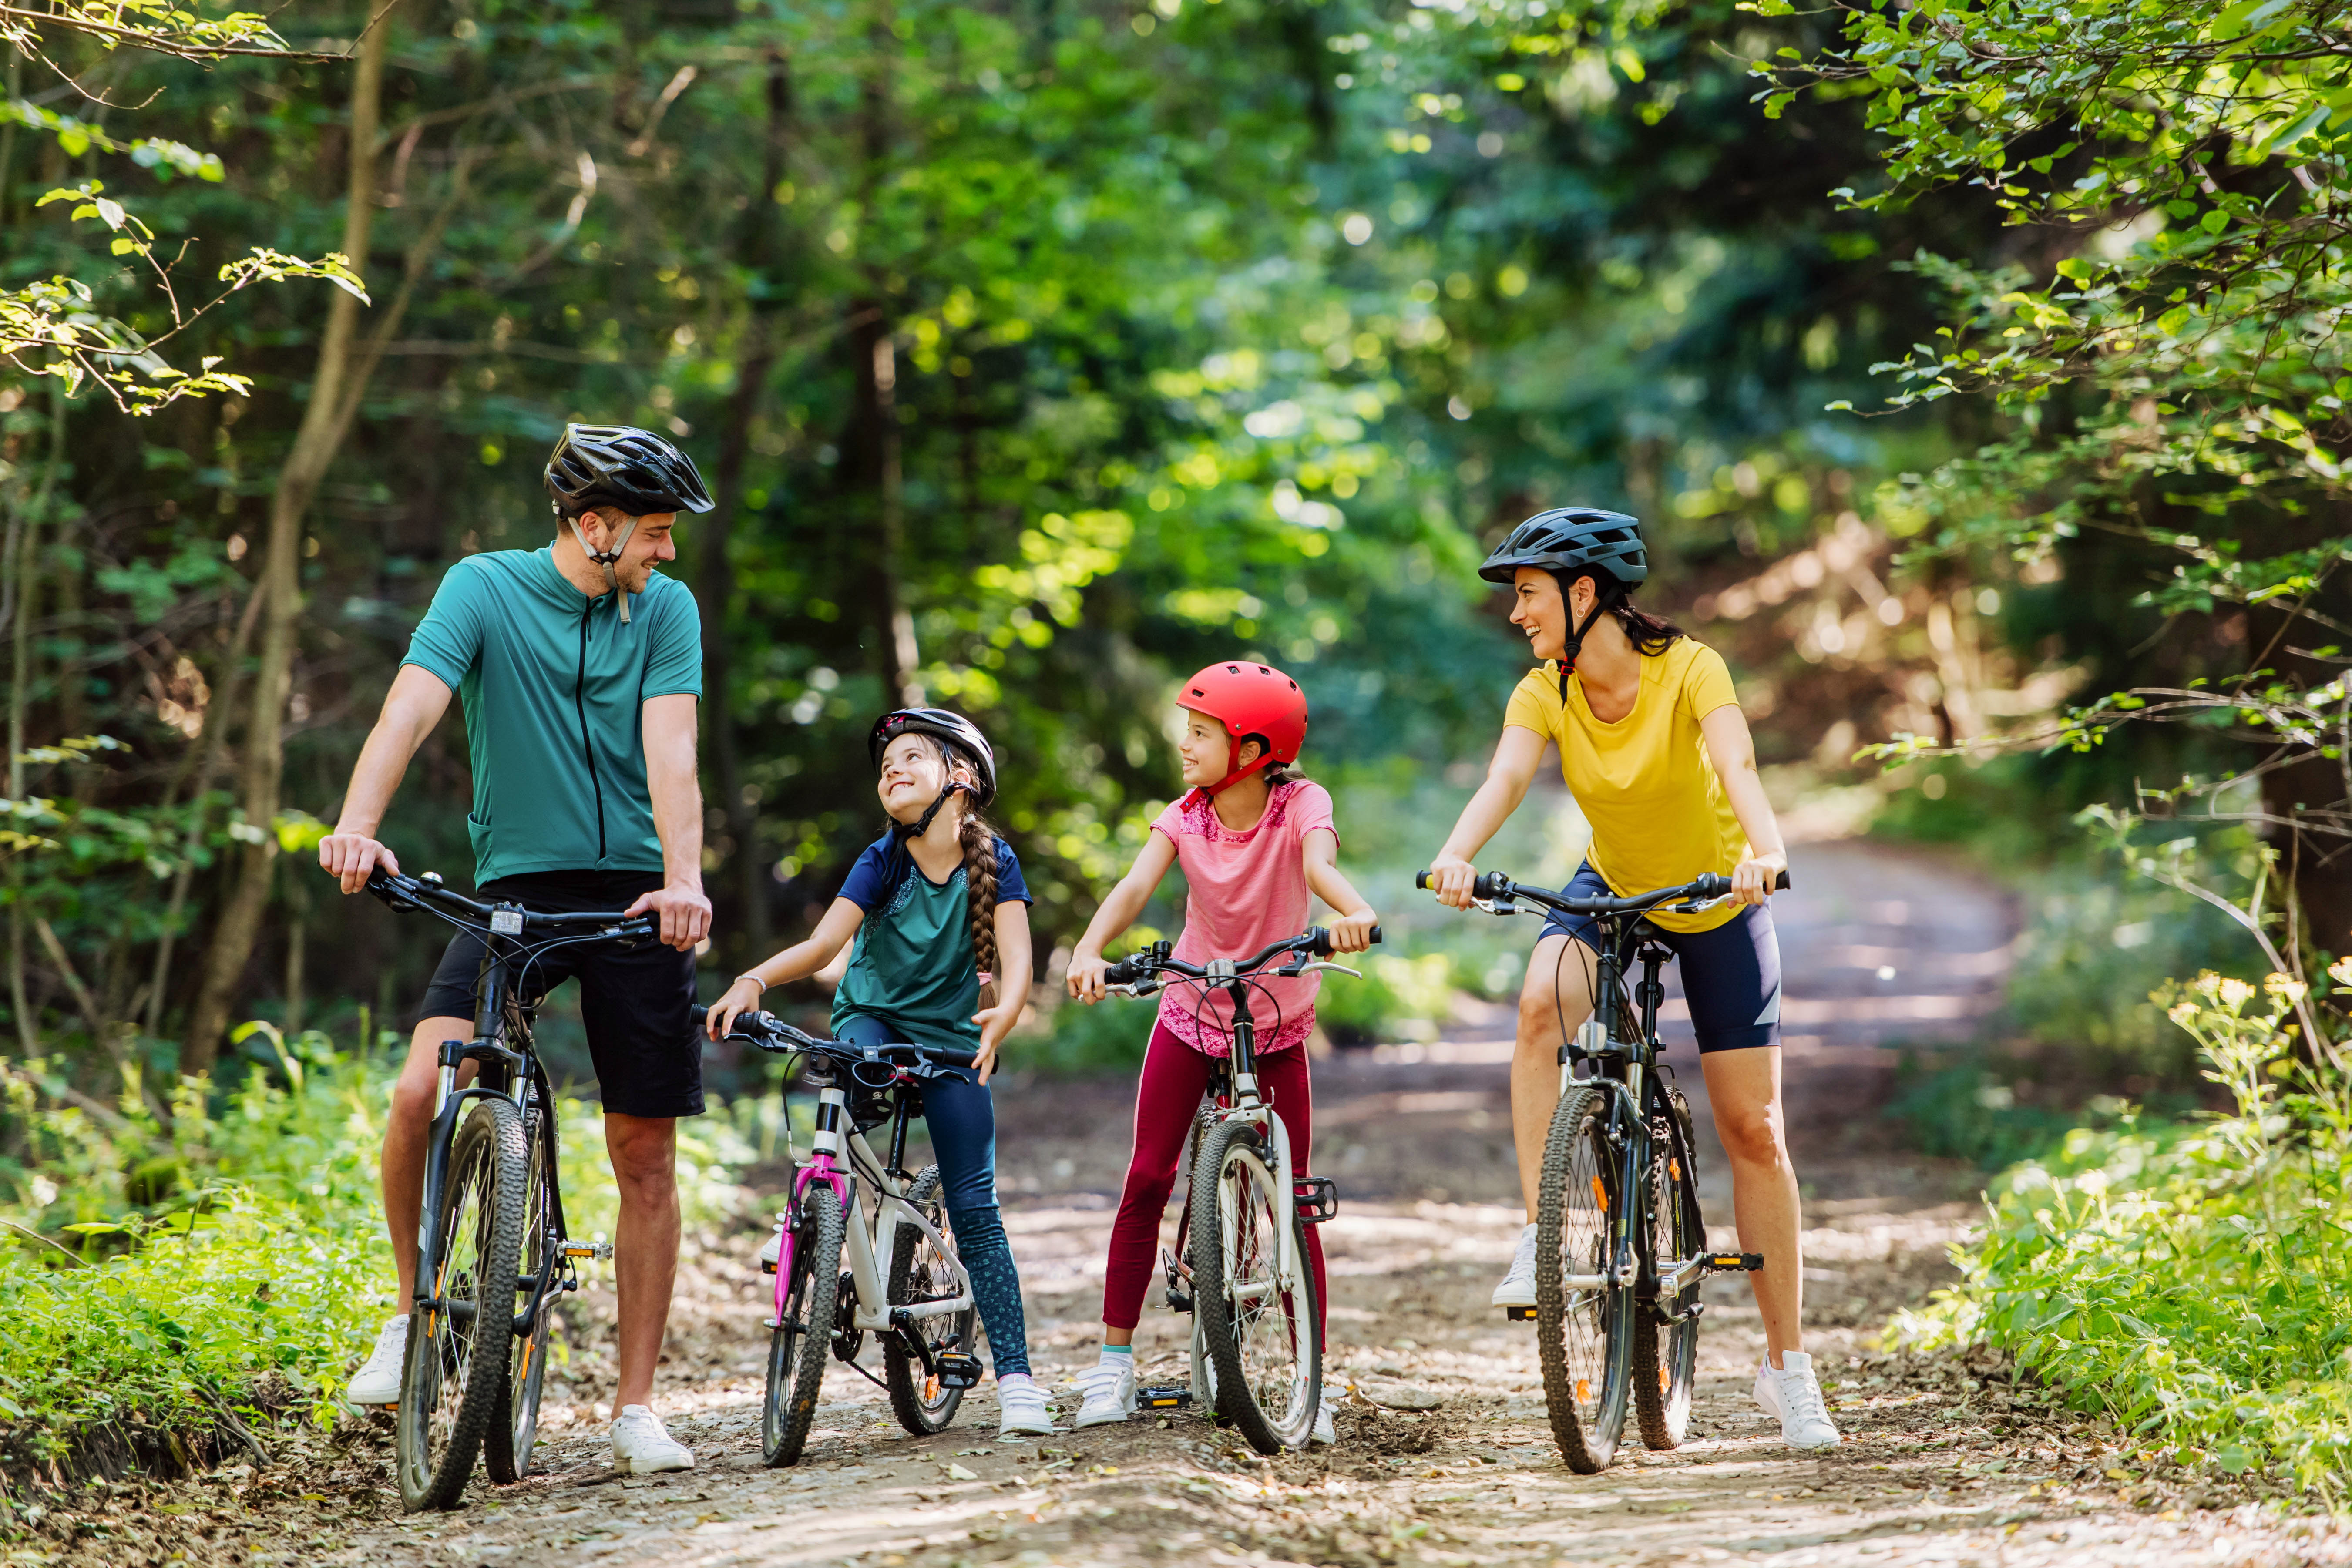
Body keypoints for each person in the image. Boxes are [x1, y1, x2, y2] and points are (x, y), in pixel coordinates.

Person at [319, 424, 717, 1475]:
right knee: (420, 1090)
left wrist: (683, 880)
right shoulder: (482, 588)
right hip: (518, 891)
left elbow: (671, 750)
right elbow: (410, 709)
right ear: (595, 525)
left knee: (644, 1152)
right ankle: (414, 1315)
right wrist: (359, 823)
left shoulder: (666, 611)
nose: (665, 554)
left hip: (639, 899)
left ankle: (635, 1405)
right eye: (654, 534)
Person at [1423, 507, 1839, 1450]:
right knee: (1538, 1006)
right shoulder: (1544, 689)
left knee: (1752, 1127)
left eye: (1527, 593)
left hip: (1716, 895)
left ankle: (1787, 1367)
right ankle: (1541, 1239)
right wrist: (1454, 853)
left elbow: (1733, 760)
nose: (1516, 613)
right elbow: (1503, 778)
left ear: (1582, 593)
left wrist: (1764, 849)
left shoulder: (1690, 667)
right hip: (1611, 881)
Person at [705, 708, 1053, 1439]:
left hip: (955, 1044)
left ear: (960, 780)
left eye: (910, 759)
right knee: (844, 1074)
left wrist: (1008, 1011)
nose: (890, 770)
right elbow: (825, 941)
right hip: (877, 1021)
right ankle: (804, 1216)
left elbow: (1017, 962)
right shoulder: (883, 857)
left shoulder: (997, 861)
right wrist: (753, 981)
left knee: (976, 1209)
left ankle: (1018, 1382)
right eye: (885, 763)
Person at [1062, 661, 1377, 1446]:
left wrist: (1354, 910)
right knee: (1147, 1177)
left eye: (1201, 734)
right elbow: (1137, 887)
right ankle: (1113, 1362)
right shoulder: (1186, 816)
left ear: (1253, 749)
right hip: (1189, 1008)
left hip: (1274, 1018)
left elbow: (1318, 865)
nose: (1185, 746)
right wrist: (1090, 947)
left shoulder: (1301, 804)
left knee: (1294, 1197)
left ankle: (1310, 1374)